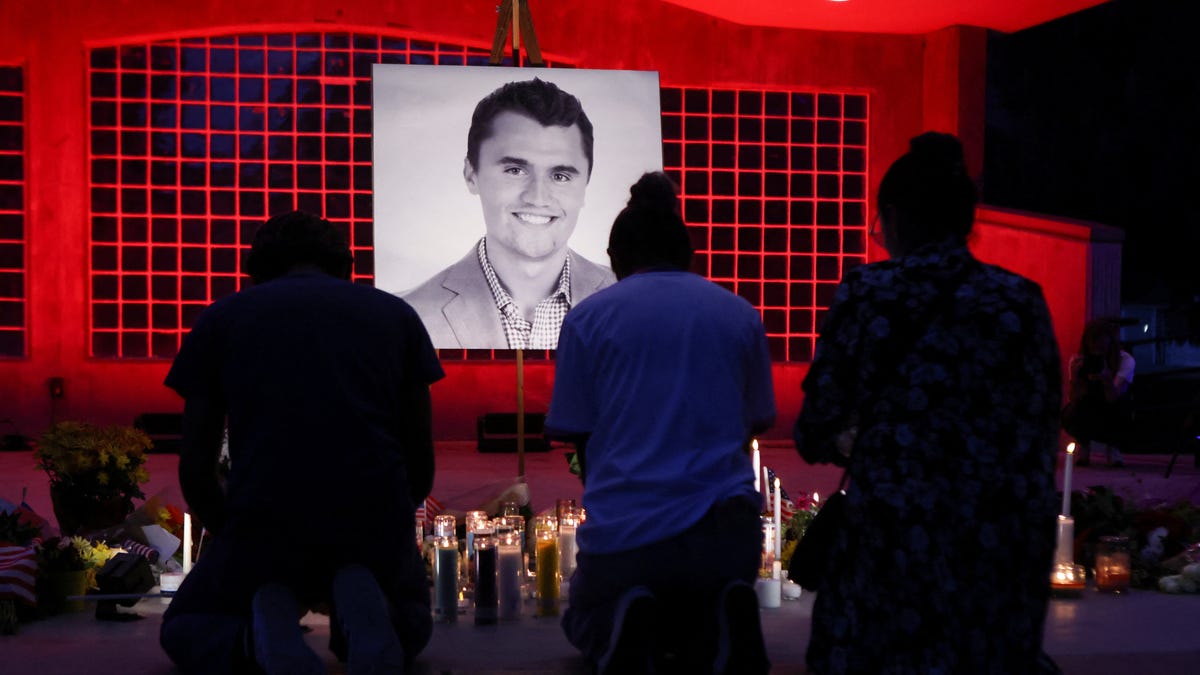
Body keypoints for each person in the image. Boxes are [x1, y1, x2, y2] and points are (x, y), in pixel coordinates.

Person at [793, 133, 1063, 674]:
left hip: (893, 549)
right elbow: (1038, 430)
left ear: (893, 217)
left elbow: (815, 426)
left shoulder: (869, 292)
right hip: (994, 550)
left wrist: (858, 438)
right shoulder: (1019, 300)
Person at [160, 211, 443, 675]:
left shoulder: (222, 318)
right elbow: (420, 460)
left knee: (186, 627)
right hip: (370, 519)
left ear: (256, 268)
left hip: (265, 519)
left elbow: (196, 467)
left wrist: (233, 534)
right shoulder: (396, 316)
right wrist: (389, 524)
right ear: (345, 265)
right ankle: (361, 600)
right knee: (410, 626)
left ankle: (259, 630)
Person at [546, 173, 776, 674]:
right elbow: (756, 422)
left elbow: (578, 432)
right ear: (688, 254)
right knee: (698, 617)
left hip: (628, 534)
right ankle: (723, 614)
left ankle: (626, 619)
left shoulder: (588, 318)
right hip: (727, 537)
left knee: (584, 618)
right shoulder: (740, 313)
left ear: (615, 257)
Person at [402, 78, 616, 350]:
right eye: (515, 170)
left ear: (585, 184)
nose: (538, 197)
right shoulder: (409, 316)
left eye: (560, 176)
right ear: (471, 174)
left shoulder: (631, 304)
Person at [1062, 318, 1134, 466]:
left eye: (1101, 347)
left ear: (1110, 344)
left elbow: (1113, 398)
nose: (1097, 351)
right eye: (1093, 347)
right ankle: (1083, 445)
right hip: (1089, 407)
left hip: (1113, 408)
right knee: (1069, 412)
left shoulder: (1125, 360)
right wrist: (1075, 379)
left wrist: (1107, 380)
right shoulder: (1078, 361)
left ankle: (1113, 447)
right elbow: (1073, 400)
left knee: (1123, 405)